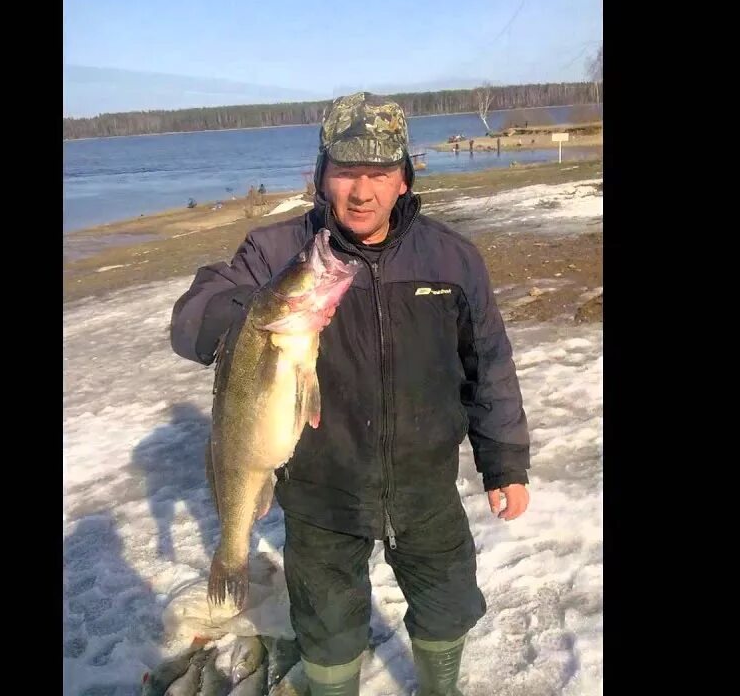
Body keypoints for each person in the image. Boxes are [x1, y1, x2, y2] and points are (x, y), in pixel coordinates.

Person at [169, 92, 531, 696]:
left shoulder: (452, 258)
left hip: (425, 484)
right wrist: (255, 316)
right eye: (345, 172)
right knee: (329, 628)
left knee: (447, 606)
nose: (361, 192)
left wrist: (505, 463)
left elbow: (488, 366)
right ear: (320, 176)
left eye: (379, 173)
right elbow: (191, 318)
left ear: (404, 178)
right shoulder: (280, 253)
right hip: (321, 492)